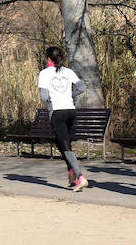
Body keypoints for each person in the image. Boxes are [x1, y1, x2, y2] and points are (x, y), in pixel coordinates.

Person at [38, 48, 92, 192]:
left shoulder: (44, 73)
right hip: (70, 111)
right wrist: (68, 95)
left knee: (65, 147)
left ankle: (80, 177)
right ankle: (71, 174)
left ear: (48, 58)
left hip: (57, 112)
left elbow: (44, 96)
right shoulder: (68, 71)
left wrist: (53, 97)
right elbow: (81, 87)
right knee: (63, 142)